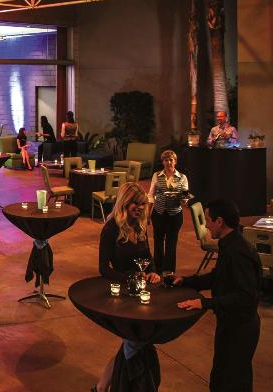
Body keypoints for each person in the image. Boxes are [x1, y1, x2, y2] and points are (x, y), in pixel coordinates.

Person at [176, 199, 262, 392]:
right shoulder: (229, 244)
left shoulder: (238, 253)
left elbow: (245, 297)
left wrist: (205, 303)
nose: (206, 226)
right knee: (221, 379)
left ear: (220, 222)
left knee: (232, 383)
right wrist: (186, 281)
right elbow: (218, 277)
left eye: (208, 220)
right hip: (230, 323)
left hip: (240, 328)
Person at [95, 182, 161, 392]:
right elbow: (103, 268)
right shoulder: (111, 228)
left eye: (142, 204)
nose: (139, 208)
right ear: (124, 203)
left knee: (131, 341)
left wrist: (152, 271)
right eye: (135, 203)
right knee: (134, 340)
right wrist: (128, 277)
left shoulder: (140, 226)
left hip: (141, 292)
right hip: (122, 294)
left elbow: (148, 258)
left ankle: (101, 387)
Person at [148, 150, 189, 273]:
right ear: (163, 162)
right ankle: (158, 269)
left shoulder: (182, 177)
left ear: (175, 162)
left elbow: (185, 197)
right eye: (166, 160)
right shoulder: (156, 175)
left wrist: (183, 199)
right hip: (158, 213)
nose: (168, 162)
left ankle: (169, 271)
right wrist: (147, 214)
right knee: (158, 241)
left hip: (175, 215)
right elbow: (151, 195)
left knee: (171, 243)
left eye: (171, 160)